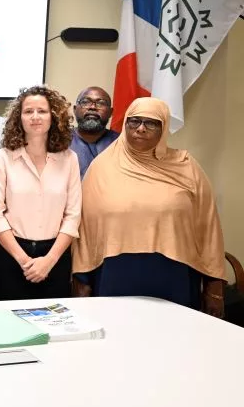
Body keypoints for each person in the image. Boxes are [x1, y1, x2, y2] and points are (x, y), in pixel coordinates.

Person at [72, 98, 226, 317]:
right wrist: (81, 279)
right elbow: (84, 229)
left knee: (174, 334)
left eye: (151, 123)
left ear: (163, 128)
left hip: (174, 278)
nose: (141, 128)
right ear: (125, 123)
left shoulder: (186, 166)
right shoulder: (101, 168)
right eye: (134, 121)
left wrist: (214, 286)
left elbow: (208, 228)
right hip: (114, 277)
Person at [0, 85, 81, 300]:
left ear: (53, 116)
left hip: (55, 256)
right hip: (12, 255)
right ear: (18, 118)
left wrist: (49, 261)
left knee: (55, 317)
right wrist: (24, 261)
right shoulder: (3, 158)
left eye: (42, 111)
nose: (35, 117)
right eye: (28, 111)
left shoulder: (69, 159)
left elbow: (73, 216)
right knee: (10, 318)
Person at [69, 86, 119, 178]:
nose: (92, 107)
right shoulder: (59, 140)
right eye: (85, 102)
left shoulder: (121, 143)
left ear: (110, 112)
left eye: (101, 103)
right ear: (75, 109)